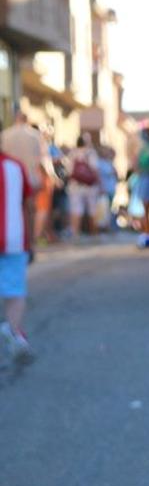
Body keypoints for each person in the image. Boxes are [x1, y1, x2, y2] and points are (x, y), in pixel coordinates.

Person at [0, 147, 32, 360]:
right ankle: (12, 330)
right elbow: (28, 204)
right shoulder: (15, 165)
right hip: (13, 236)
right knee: (14, 290)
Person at [1, 112, 47, 258]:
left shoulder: (6, 135)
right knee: (28, 210)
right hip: (27, 175)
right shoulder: (35, 135)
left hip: (7, 173)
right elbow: (42, 158)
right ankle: (29, 243)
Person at [65, 134, 102, 239]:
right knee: (92, 209)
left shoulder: (72, 153)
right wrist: (100, 183)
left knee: (76, 209)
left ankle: (75, 233)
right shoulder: (91, 153)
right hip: (90, 186)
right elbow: (95, 169)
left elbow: (69, 171)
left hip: (75, 185)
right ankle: (94, 233)